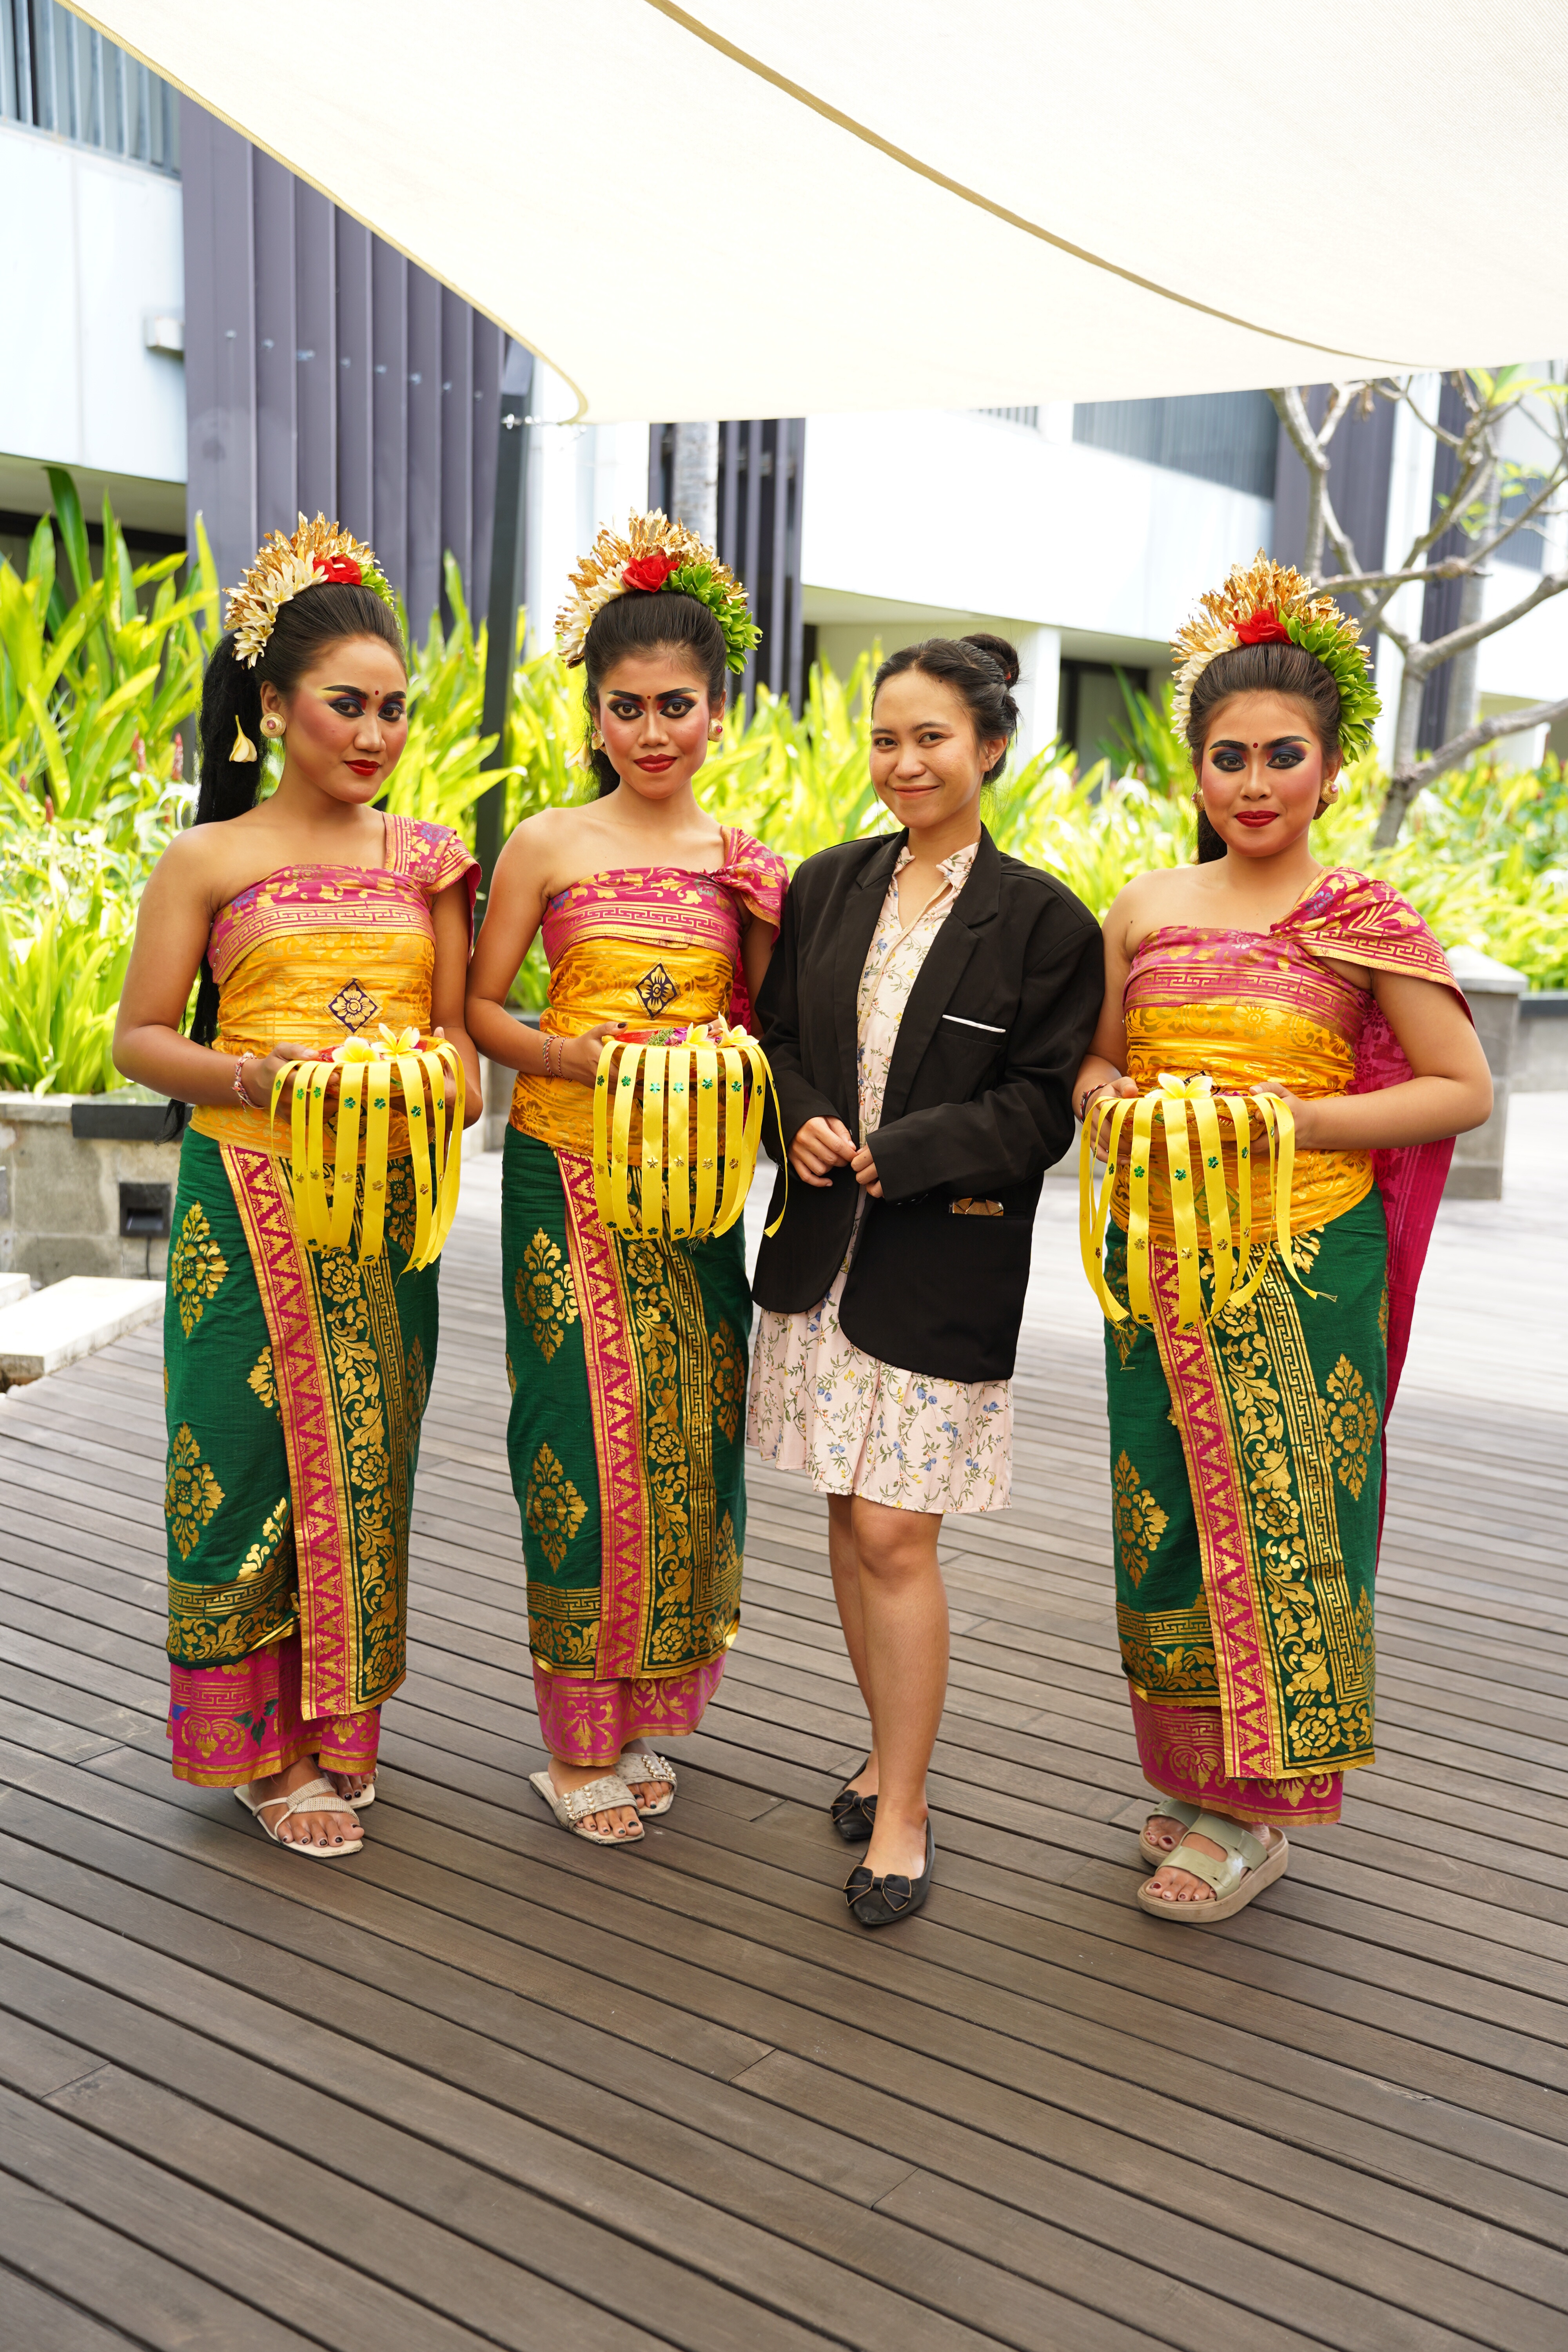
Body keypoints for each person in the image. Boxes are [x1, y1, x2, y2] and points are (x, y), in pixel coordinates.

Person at [1073, 555, 1492, 1921]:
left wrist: (1287, 1123)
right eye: (1229, 757)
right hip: (1156, 1259)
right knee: (1165, 1517)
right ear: (1196, 768)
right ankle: (1201, 1780)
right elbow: (1096, 1064)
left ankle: (1258, 1817)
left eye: (1282, 756)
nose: (1254, 784)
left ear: (1330, 769)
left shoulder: (1363, 920)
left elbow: (1461, 1089)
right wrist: (1110, 1101)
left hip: (1305, 1260)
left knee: (1290, 1528)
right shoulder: (1145, 907)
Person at [114, 516, 480, 1857]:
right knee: (236, 1461)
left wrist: (426, 1080)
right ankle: (256, 1752)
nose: (376, 734)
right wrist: (257, 1077)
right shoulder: (208, 859)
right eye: (346, 704)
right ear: (273, 707)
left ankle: (339, 1731)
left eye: (393, 708)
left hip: (386, 1211)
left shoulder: (430, 861)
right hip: (246, 1197)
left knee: (367, 1467)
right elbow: (139, 1039)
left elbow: (462, 1052)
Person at [749, 636, 1104, 1925]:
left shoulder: (1046, 921)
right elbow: (777, 1036)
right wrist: (795, 1115)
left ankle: (904, 1810)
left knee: (899, 1535)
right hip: (820, 1253)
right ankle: (880, 1750)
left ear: (989, 748)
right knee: (851, 1517)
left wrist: (905, 1151)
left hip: (940, 1255)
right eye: (887, 739)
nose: (906, 762)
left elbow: (1041, 1106)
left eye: (933, 739)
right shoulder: (827, 884)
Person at [467, 513, 786, 1846]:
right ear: (594, 714)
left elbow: (771, 1033)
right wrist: (575, 1057)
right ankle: (572, 1740)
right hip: (567, 1169)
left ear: (718, 711)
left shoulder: (746, 866)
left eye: (677, 706)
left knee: (685, 1439)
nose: (653, 732)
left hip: (696, 1193)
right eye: (627, 708)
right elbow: (479, 1009)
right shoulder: (547, 842)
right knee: (576, 1438)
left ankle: (641, 1708)